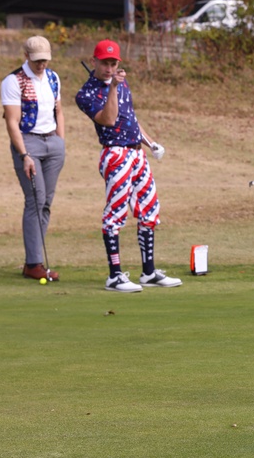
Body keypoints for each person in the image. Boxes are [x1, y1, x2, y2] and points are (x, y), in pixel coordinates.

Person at [74, 39, 181, 292]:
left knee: (149, 209)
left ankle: (149, 272)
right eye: (105, 63)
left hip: (136, 153)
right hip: (115, 154)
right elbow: (109, 120)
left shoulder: (123, 84)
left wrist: (150, 142)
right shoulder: (85, 94)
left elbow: (130, 118)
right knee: (115, 214)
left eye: (114, 63)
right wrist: (112, 88)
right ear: (94, 62)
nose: (110, 68)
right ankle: (115, 276)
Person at [1, 36, 65, 281]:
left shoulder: (53, 77)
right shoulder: (13, 81)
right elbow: (12, 122)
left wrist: (60, 141)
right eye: (37, 60)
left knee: (46, 201)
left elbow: (58, 110)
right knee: (35, 200)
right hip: (28, 143)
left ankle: (35, 259)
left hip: (53, 143)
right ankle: (33, 263)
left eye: (45, 60)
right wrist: (24, 155)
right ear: (26, 56)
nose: (41, 65)